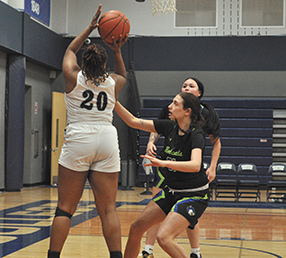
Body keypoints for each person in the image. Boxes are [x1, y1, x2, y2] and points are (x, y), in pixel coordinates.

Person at [47, 5, 128, 258]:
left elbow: (70, 49)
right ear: (105, 66)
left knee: (64, 209)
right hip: (106, 138)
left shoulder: (73, 76)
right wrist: (116, 50)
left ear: (84, 63)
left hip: (79, 137)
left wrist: (91, 27)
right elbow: (123, 73)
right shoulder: (113, 83)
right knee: (108, 210)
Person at [114, 92, 209, 258]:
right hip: (171, 191)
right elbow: (133, 121)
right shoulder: (169, 126)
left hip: (194, 195)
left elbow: (195, 165)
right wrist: (112, 101)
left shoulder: (196, 134)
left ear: (187, 111)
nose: (169, 107)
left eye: (175, 104)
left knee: (163, 237)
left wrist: (163, 163)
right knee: (136, 228)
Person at [142, 77, 221, 258]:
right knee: (156, 205)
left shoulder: (207, 114)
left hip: (190, 169)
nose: (186, 87)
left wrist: (213, 166)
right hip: (168, 164)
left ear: (199, 93)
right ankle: (148, 249)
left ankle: (195, 252)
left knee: (189, 214)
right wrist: (151, 142)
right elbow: (156, 128)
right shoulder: (171, 107)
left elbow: (216, 142)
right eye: (184, 85)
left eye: (191, 86)